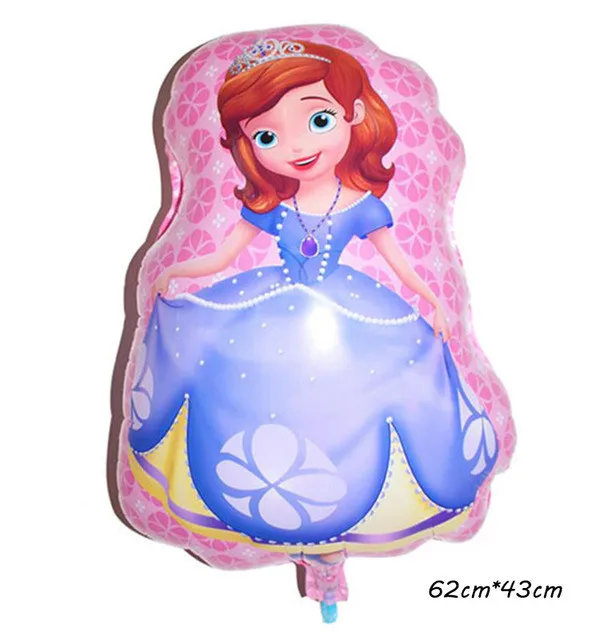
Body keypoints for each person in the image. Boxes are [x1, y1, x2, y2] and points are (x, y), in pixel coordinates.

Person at [131, 39, 498, 622]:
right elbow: (223, 255)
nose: (296, 146)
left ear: (355, 115)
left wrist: (432, 301)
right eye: (266, 135)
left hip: (355, 312)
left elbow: (401, 264)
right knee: (252, 399)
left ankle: (332, 534)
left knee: (366, 401)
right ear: (245, 144)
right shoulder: (268, 206)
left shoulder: (363, 204)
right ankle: (283, 518)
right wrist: (175, 272)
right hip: (263, 311)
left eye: (318, 120)